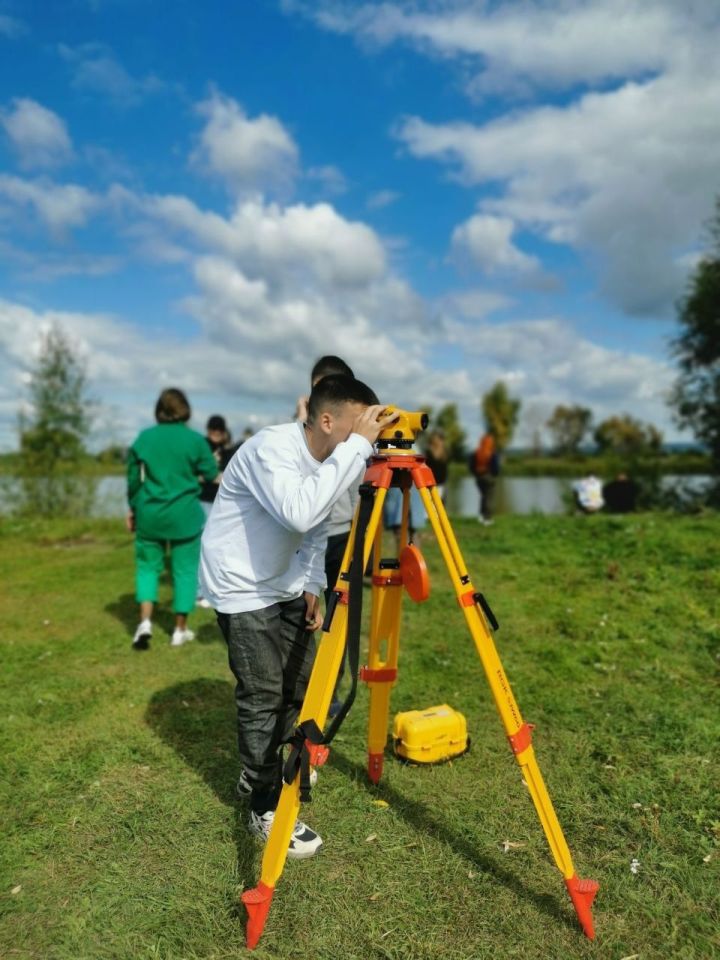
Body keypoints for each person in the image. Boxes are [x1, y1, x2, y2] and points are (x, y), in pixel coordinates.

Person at [199, 375, 397, 859]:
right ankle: (264, 805)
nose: (365, 438)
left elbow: (318, 530)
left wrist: (310, 585)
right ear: (326, 420)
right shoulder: (274, 449)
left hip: (283, 580)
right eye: (358, 426)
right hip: (241, 585)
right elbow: (301, 514)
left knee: (306, 687)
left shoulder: (333, 456)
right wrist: (358, 451)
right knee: (264, 693)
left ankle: (271, 769)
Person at [126, 388, 219, 650]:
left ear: (159, 410)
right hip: (184, 516)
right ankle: (179, 630)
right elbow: (211, 473)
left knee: (147, 568)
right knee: (185, 571)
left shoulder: (144, 438)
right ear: (185, 410)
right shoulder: (194, 441)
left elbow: (133, 481)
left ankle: (144, 623)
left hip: (149, 514)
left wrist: (133, 508)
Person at [297, 355, 359, 718]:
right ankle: (302, 687)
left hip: (343, 536)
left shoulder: (354, 436)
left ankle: (330, 690)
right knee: (303, 611)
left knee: (338, 617)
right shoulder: (301, 431)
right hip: (307, 538)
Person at [471, 431, 499, 525]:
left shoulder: (477, 452)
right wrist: (494, 475)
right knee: (488, 498)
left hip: (479, 478)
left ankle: (481, 516)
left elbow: (471, 466)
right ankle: (487, 518)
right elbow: (496, 467)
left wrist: (476, 473)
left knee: (483, 496)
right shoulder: (491, 453)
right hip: (489, 477)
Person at [425, 428, 449, 503]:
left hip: (441, 485)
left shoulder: (444, 453)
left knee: (439, 506)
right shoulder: (428, 452)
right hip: (429, 485)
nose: (440, 442)